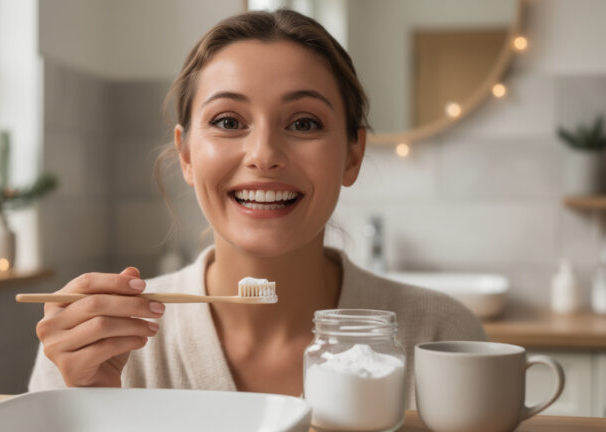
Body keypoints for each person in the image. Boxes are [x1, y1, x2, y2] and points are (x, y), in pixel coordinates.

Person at [28, 9, 486, 408]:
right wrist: (92, 408)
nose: (264, 154)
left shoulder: (441, 335)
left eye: (304, 123)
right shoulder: (94, 348)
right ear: (186, 155)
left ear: (352, 155)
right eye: (228, 122)